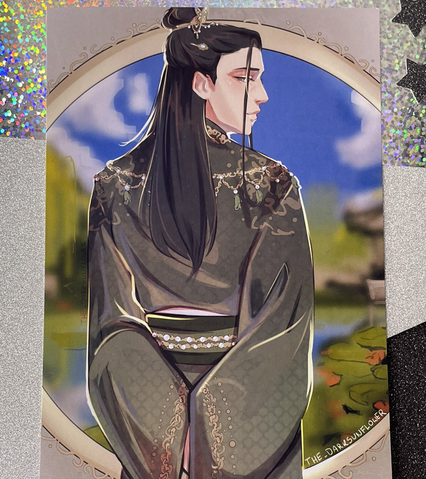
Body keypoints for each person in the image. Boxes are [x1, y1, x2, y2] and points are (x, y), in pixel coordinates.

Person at [87, 7, 314, 479]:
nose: (263, 95)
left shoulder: (115, 184)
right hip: (248, 411)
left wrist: (171, 438)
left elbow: (114, 333)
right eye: (245, 78)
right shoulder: (272, 185)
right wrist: (214, 431)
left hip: (150, 415)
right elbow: (282, 328)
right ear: (201, 83)